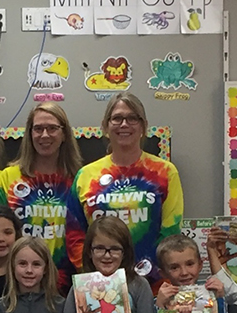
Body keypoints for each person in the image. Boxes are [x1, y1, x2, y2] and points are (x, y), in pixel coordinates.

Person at [74, 92, 183, 284]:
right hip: (99, 285)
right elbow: (74, 234)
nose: (124, 124)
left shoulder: (165, 172)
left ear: (143, 126)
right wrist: (90, 274)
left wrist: (157, 273)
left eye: (132, 118)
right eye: (117, 118)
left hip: (153, 284)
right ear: (106, 126)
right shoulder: (85, 175)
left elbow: (170, 233)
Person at [0, 102, 88, 290]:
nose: (44, 135)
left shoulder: (80, 178)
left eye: (52, 128)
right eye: (38, 129)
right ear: (30, 134)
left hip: (69, 281)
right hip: (19, 282)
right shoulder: (8, 177)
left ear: (64, 134)